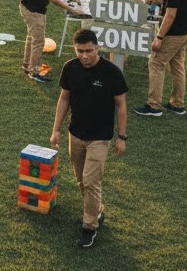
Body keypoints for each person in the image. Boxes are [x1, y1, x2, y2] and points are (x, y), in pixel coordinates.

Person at [50, 28, 128, 248]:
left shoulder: (111, 72)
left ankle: (89, 226)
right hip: (75, 134)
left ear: (97, 48)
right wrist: (56, 129)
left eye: (89, 51)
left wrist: (122, 137)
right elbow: (64, 99)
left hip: (100, 138)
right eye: (80, 51)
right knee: (82, 180)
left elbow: (121, 106)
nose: (84, 56)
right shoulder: (70, 67)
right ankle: (96, 211)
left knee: (91, 181)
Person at [134, 0, 187, 117]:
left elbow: (171, 14)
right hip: (186, 32)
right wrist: (158, 0)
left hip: (173, 35)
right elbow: (178, 3)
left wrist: (159, 37)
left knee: (156, 63)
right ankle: (177, 104)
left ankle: (153, 106)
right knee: (177, 66)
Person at [20, 0, 83, 82]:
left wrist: (77, 0)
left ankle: (27, 65)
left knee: (32, 37)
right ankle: (34, 72)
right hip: (32, 10)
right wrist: (71, 9)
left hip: (35, 7)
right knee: (38, 41)